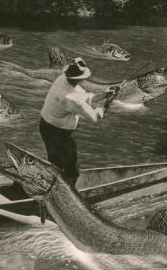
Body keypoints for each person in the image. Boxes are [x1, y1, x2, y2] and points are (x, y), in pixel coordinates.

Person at [39, 57, 119, 187]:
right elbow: (95, 117)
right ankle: (62, 194)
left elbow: (84, 97)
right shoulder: (72, 99)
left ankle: (49, 186)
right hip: (59, 134)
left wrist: (104, 94)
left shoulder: (62, 79)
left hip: (45, 125)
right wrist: (107, 103)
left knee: (55, 164)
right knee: (72, 171)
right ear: (80, 78)